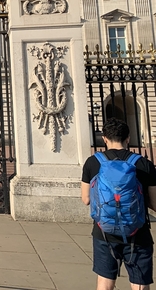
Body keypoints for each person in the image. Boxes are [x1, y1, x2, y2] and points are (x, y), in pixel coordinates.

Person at [81, 117, 156, 289]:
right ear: (128, 138)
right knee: (140, 284)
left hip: (103, 231)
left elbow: (86, 199)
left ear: (104, 138)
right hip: (138, 230)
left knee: (105, 283)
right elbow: (154, 203)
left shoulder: (93, 162)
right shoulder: (143, 163)